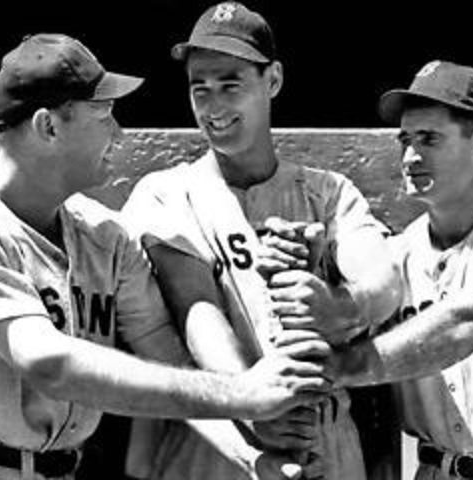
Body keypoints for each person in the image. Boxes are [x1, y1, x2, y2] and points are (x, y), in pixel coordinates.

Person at [0, 33, 333, 480]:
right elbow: (50, 364)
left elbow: (166, 358)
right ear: (48, 127)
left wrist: (251, 459)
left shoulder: (104, 234)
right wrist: (243, 393)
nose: (119, 133)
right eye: (103, 116)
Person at [120, 3, 401, 480]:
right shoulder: (166, 192)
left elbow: (383, 279)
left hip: (324, 433)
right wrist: (254, 401)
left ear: (272, 81)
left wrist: (339, 305)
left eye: (231, 85)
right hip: (218, 436)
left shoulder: (326, 192)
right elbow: (195, 310)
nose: (213, 107)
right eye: (199, 89)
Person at [275, 60, 473, 480]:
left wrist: (342, 368)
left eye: (430, 138)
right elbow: (340, 327)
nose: (411, 155)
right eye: (405, 139)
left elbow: (465, 321)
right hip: (431, 469)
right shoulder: (396, 255)